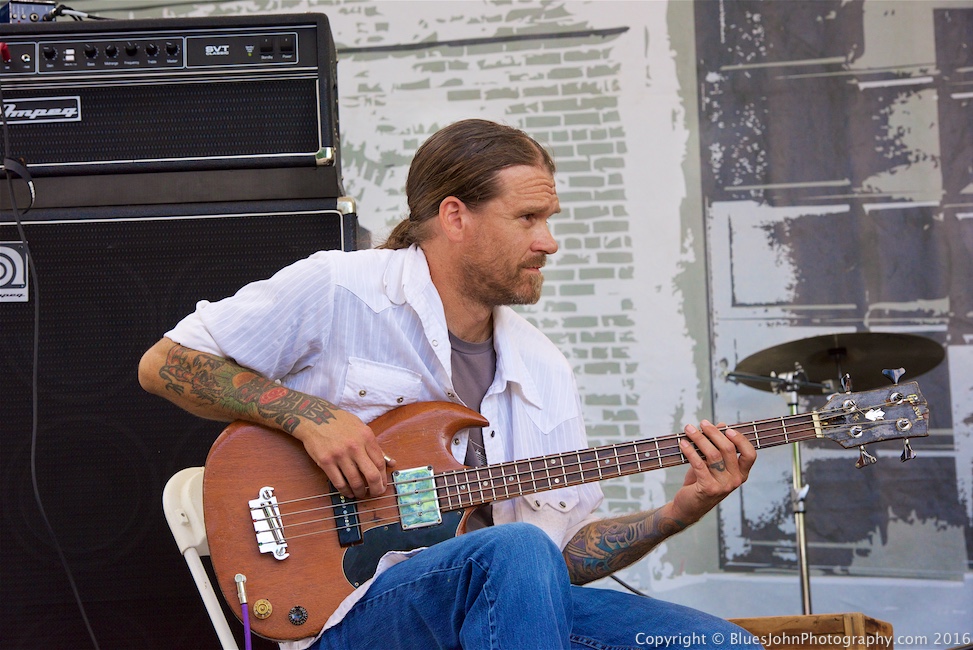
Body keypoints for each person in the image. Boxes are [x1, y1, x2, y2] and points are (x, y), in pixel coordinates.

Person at [139, 119, 762, 649]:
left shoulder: (543, 369)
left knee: (729, 644)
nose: (549, 241)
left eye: (549, 218)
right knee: (514, 549)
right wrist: (308, 415)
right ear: (455, 216)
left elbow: (558, 560)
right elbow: (165, 363)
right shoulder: (341, 289)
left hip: (492, 608)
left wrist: (680, 512)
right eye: (528, 217)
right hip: (345, 611)